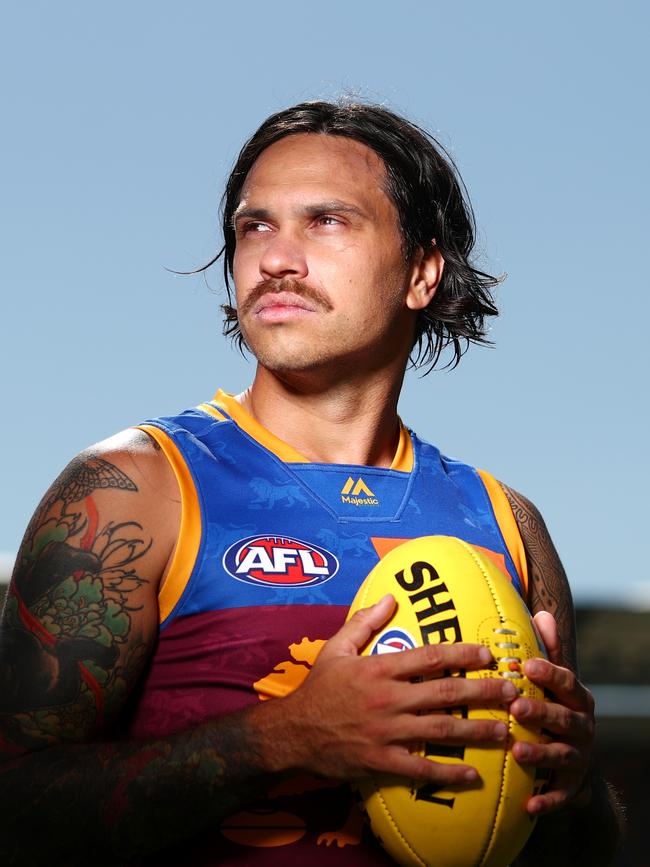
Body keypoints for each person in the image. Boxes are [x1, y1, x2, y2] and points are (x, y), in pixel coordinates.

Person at [0, 101, 622, 866]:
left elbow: (583, 848)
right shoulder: (135, 486)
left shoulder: (505, 522)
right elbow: (15, 806)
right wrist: (283, 739)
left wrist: (575, 776)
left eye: (326, 221)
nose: (275, 258)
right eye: (254, 227)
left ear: (422, 272)